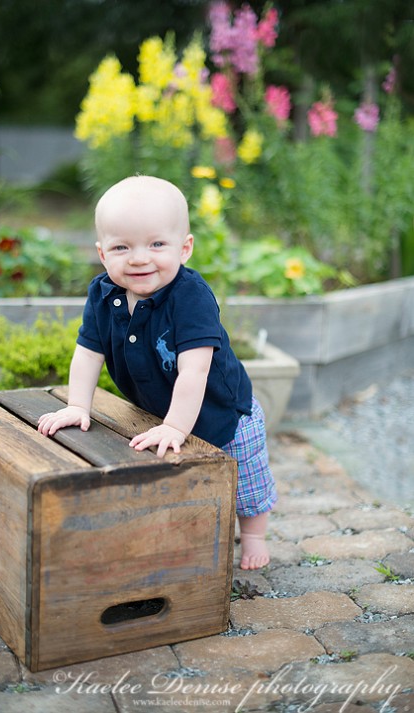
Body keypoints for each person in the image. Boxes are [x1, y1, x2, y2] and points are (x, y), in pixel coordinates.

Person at [38, 175, 277, 569]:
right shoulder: (104, 294)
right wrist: (78, 405)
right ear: (102, 254)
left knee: (247, 482)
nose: (138, 258)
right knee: (178, 481)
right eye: (121, 247)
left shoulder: (190, 297)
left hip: (225, 412)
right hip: (161, 410)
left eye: (156, 244)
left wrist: (177, 427)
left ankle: (253, 535)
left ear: (185, 249)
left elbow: (195, 372)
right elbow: (87, 352)